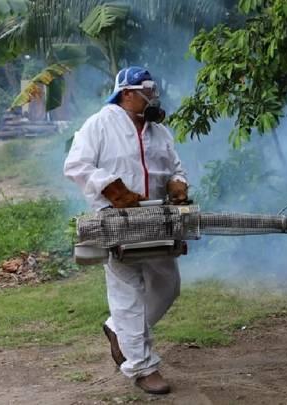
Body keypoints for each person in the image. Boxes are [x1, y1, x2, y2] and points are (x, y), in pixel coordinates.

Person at [63, 66, 189, 395]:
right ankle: (142, 367)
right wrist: (111, 188)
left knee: (168, 285)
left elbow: (175, 165)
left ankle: (117, 328)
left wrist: (178, 184)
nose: (154, 95)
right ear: (127, 93)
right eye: (148, 89)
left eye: (155, 89)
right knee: (127, 291)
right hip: (117, 221)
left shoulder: (159, 131)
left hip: (157, 220)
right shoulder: (99, 124)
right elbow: (76, 165)